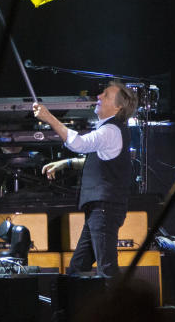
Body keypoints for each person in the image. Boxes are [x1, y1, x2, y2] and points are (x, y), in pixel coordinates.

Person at [33, 82, 138, 277]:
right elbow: (97, 159)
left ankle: (121, 307)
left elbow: (79, 144)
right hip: (99, 209)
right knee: (77, 269)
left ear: (118, 106)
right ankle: (73, 306)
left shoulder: (111, 131)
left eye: (105, 95)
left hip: (105, 208)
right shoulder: (111, 130)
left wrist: (48, 118)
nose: (98, 96)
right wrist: (66, 163)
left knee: (107, 269)